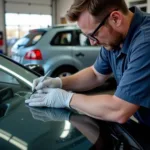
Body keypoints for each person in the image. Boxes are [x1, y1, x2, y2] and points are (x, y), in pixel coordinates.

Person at [25, 0, 150, 126]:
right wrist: (59, 83)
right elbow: (95, 74)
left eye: (93, 35)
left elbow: (119, 109)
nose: (92, 43)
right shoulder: (115, 38)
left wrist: (67, 99)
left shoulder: (146, 41)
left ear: (116, 18)